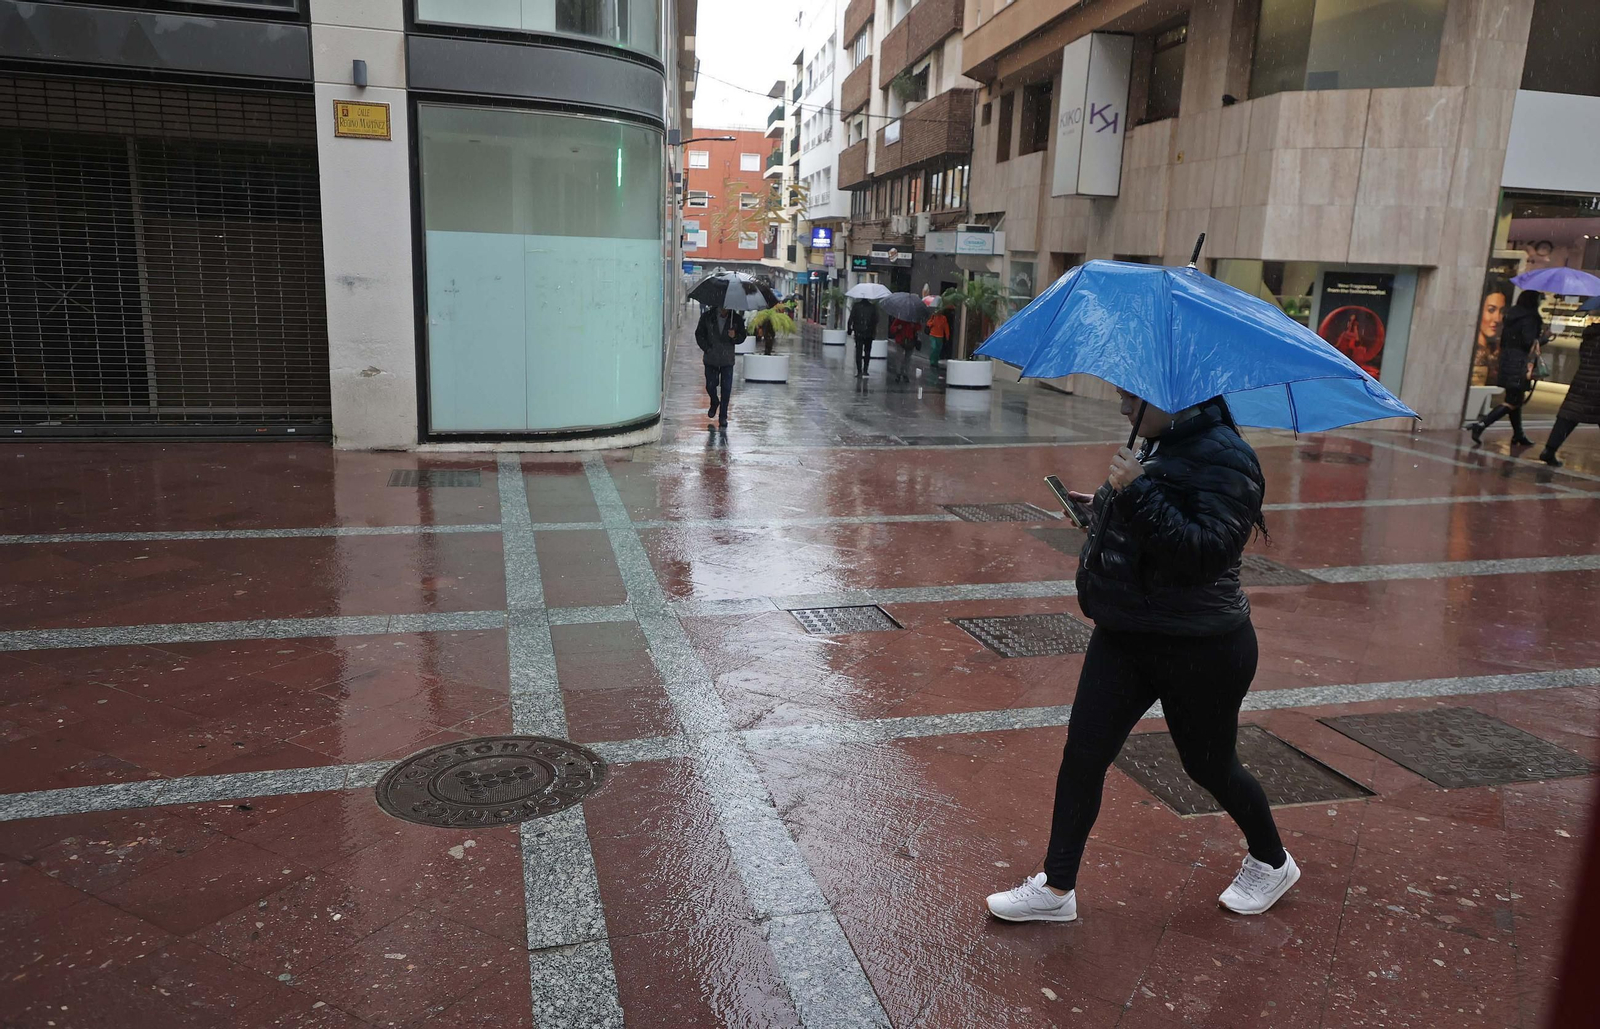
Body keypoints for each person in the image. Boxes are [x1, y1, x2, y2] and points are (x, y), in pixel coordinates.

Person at [986, 390, 1297, 924]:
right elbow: (1156, 531)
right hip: (1126, 631)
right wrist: (1103, 509)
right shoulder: (1159, 442)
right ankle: (1056, 888)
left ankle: (1272, 861)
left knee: (1209, 766)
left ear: (1174, 399)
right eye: (1122, 398)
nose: (1124, 411)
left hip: (1201, 643)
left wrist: (1136, 491)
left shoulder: (1230, 458)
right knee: (1084, 754)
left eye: (1133, 400)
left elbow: (1205, 553)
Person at [1470, 290, 1544, 446]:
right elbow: (1528, 342)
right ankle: (1481, 424)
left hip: (1507, 361)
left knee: (1515, 399)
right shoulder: (1531, 318)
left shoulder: (1511, 317)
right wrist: (1543, 338)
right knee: (1512, 401)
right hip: (1519, 363)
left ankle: (1519, 434)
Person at [1541, 320, 1600, 467]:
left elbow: (1584, 356)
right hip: (1597, 385)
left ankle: (1549, 449)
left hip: (1582, 381)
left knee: (1568, 416)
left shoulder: (1590, 335)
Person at [695, 303, 744, 428]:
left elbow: (742, 336)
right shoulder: (707, 316)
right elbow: (699, 334)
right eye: (722, 307)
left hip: (727, 360)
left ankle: (723, 416)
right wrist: (707, 349)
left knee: (726, 389)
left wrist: (735, 336)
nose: (724, 310)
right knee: (710, 386)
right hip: (711, 359)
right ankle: (714, 401)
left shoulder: (735, 319)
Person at [1471, 279, 1512, 386]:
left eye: (1502, 311)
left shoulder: (1496, 349)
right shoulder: (1475, 351)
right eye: (1491, 310)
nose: (1497, 319)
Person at [847, 299, 878, 379]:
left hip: (859, 332)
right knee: (867, 351)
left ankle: (859, 371)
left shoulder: (856, 306)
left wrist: (849, 330)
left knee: (858, 351)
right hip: (869, 332)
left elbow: (851, 318)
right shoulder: (872, 307)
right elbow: (876, 320)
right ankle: (865, 370)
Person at [888, 316, 918, 383]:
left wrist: (914, 326)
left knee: (907, 359)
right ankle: (898, 373)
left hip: (910, 341)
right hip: (900, 341)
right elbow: (892, 329)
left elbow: (919, 327)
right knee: (899, 357)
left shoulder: (914, 320)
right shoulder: (900, 319)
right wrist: (897, 328)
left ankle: (905, 374)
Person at [926, 305, 951, 384]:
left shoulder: (943, 318)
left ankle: (935, 361)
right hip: (933, 335)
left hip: (940, 336)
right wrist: (932, 322)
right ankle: (932, 361)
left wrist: (947, 335)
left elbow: (946, 327)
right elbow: (928, 324)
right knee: (934, 347)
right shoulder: (933, 317)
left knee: (938, 349)